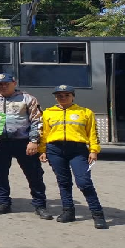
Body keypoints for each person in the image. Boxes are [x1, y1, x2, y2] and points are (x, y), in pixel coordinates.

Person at [0, 73, 51, 219]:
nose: (3, 86)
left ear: (14, 83)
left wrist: (34, 141)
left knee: (34, 174)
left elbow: (37, 121)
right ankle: (3, 203)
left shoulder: (27, 99)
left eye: (6, 83)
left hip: (23, 142)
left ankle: (40, 205)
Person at [39, 85, 108, 229]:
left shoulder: (85, 112)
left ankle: (97, 214)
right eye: (59, 95)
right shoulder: (47, 113)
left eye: (66, 95)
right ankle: (68, 212)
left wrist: (94, 150)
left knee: (84, 182)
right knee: (63, 182)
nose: (63, 98)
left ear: (73, 96)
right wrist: (42, 150)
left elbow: (92, 133)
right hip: (55, 150)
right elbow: (44, 133)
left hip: (78, 150)